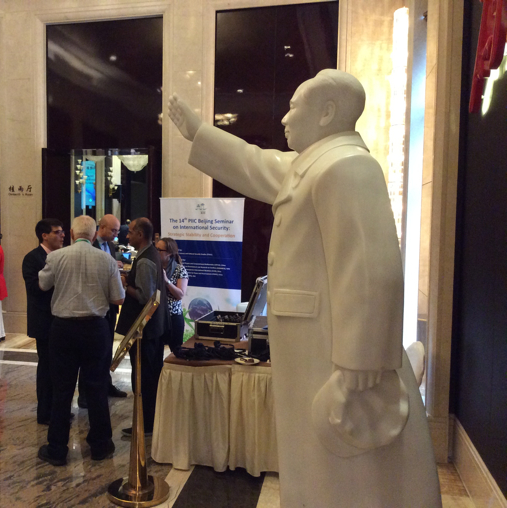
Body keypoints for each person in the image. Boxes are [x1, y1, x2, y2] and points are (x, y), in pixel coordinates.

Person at [168, 69, 441, 507]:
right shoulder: (312, 165)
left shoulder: (348, 166)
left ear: (328, 112)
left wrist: (361, 360)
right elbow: (255, 162)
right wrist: (200, 133)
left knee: (351, 463)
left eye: (295, 106)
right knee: (320, 459)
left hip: (338, 353)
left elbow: (372, 269)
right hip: (315, 346)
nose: (284, 118)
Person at [37, 215, 124, 466]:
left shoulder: (56, 257)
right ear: (94, 235)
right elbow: (118, 299)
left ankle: (57, 448)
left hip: (63, 330)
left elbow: (43, 285)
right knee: (97, 387)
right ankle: (100, 445)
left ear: (72, 235)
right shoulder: (107, 260)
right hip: (96, 330)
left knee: (61, 390)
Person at [115, 217, 169, 436]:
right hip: (153, 329)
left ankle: (146, 425)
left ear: (140, 234)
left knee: (143, 377)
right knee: (148, 375)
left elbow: (146, 298)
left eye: (130, 233)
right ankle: (149, 422)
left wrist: (125, 285)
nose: (127, 236)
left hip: (145, 330)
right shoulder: (150, 255)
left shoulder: (146, 260)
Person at [80, 214, 127, 405]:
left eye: (117, 230)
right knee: (89, 354)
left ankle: (106, 385)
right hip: (94, 305)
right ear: (102, 228)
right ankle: (85, 394)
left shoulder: (112, 246)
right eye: (113, 230)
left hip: (110, 306)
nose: (116, 234)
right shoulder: (90, 246)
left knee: (107, 350)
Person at [22, 218, 65, 424]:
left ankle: (58, 409)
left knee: (60, 368)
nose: (62, 235)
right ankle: (45, 412)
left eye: (62, 231)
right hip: (44, 320)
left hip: (61, 320)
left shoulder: (62, 256)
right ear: (44, 235)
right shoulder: (33, 258)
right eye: (57, 232)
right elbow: (33, 288)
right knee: (47, 367)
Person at [156, 237, 189, 353]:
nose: (156, 252)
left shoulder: (180, 269)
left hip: (173, 317)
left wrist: (166, 281)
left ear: (169, 253)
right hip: (157, 316)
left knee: (176, 351)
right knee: (156, 353)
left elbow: (180, 294)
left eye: (159, 250)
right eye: (155, 249)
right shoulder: (154, 267)